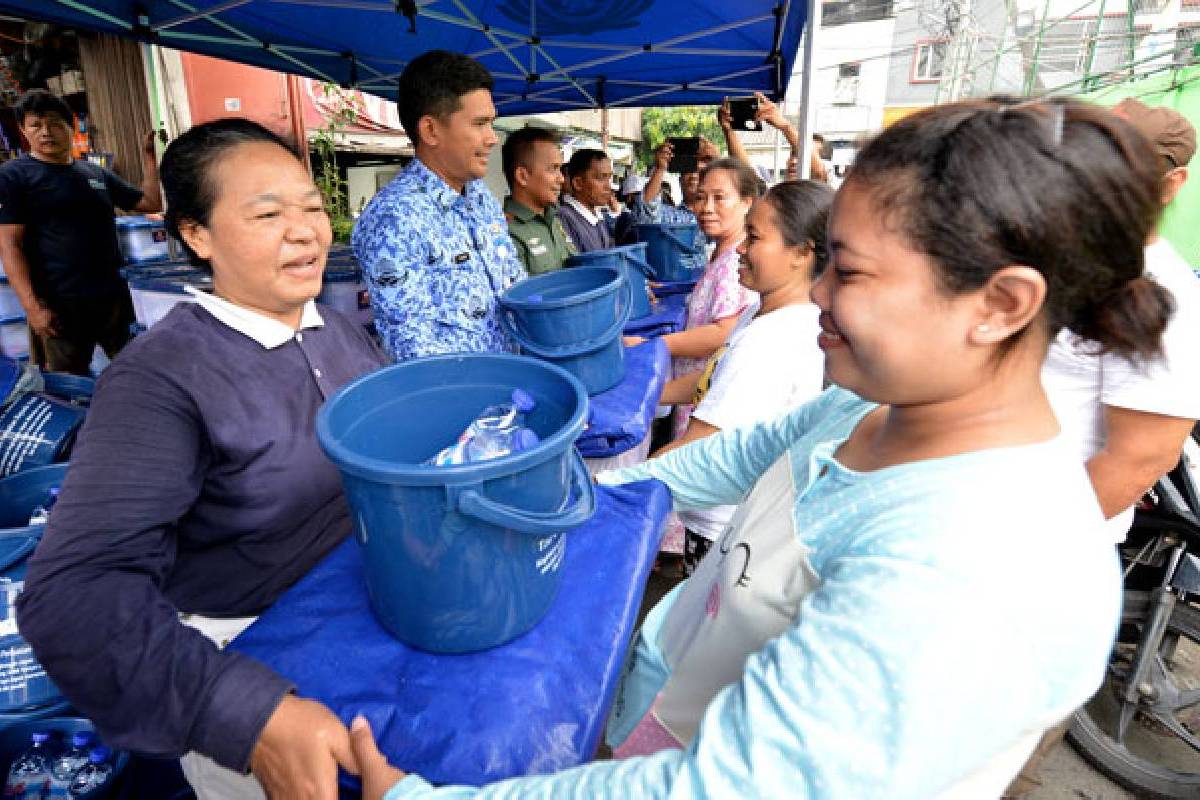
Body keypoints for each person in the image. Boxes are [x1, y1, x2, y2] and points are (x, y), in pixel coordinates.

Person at [347, 97, 1154, 800]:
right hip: (680, 699)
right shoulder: (877, 404)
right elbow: (741, 455)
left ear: (1000, 303)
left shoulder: (980, 569)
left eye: (852, 272)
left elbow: (721, 787)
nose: (821, 295)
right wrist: (584, 496)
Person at [16, 118, 390, 800]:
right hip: (258, 655)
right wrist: (246, 715)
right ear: (195, 234)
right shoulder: (161, 378)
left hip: (369, 612)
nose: (306, 229)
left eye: (311, 207)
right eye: (268, 213)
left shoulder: (337, 333)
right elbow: (73, 596)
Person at [1013, 96, 1200, 798]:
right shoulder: (1073, 261)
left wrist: (1007, 546)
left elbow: (1138, 458)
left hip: (1039, 568)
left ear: (1171, 183)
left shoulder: (1163, 297)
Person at [657, 180, 831, 574]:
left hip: (726, 529)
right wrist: (648, 397)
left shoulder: (770, 342)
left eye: (753, 238)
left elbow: (692, 451)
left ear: (802, 253)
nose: (740, 248)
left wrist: (609, 483)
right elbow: (713, 380)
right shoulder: (762, 312)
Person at [626, 157, 760, 558]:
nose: (707, 207)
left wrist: (656, 346)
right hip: (696, 393)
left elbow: (721, 332)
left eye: (721, 198)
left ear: (749, 203)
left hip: (709, 401)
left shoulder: (738, 264)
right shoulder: (723, 255)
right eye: (702, 197)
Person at [353, 50, 524, 361]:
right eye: (480, 124)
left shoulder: (479, 196)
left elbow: (514, 287)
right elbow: (413, 349)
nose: (492, 138)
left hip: (517, 382)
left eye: (492, 124)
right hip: (464, 401)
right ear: (430, 130)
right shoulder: (394, 218)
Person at [0, 89, 162, 376]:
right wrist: (32, 307)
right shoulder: (14, 175)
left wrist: (150, 158)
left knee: (137, 370)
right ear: (24, 131)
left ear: (70, 127)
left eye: (54, 123)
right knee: (69, 382)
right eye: (35, 125)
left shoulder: (94, 173)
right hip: (59, 304)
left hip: (113, 297)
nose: (45, 132)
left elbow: (149, 203)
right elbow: (9, 244)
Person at [501, 126, 575, 275]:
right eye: (553, 169)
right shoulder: (506, 232)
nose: (561, 179)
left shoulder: (553, 220)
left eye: (560, 169)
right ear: (523, 176)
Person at [557, 148, 615, 252]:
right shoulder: (564, 218)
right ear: (578, 183)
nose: (608, 186)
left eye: (609, 178)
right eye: (601, 178)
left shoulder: (598, 215)